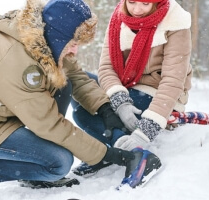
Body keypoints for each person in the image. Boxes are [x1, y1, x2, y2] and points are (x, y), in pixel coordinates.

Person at [0, 0, 161, 199]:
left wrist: (106, 110)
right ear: (59, 36)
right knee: (59, 162)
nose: (75, 50)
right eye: (73, 42)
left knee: (65, 85)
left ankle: (33, 162)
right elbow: (49, 124)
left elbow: (76, 77)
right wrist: (111, 155)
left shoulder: (45, 41)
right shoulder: (18, 62)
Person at [72, 0, 191, 177]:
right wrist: (120, 102)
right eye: (132, 2)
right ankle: (109, 145)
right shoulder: (117, 19)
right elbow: (107, 68)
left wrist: (145, 132)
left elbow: (173, 81)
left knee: (83, 115)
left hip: (157, 93)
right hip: (125, 86)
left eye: (144, 3)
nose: (136, 9)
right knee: (78, 83)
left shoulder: (175, 22)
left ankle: (130, 152)